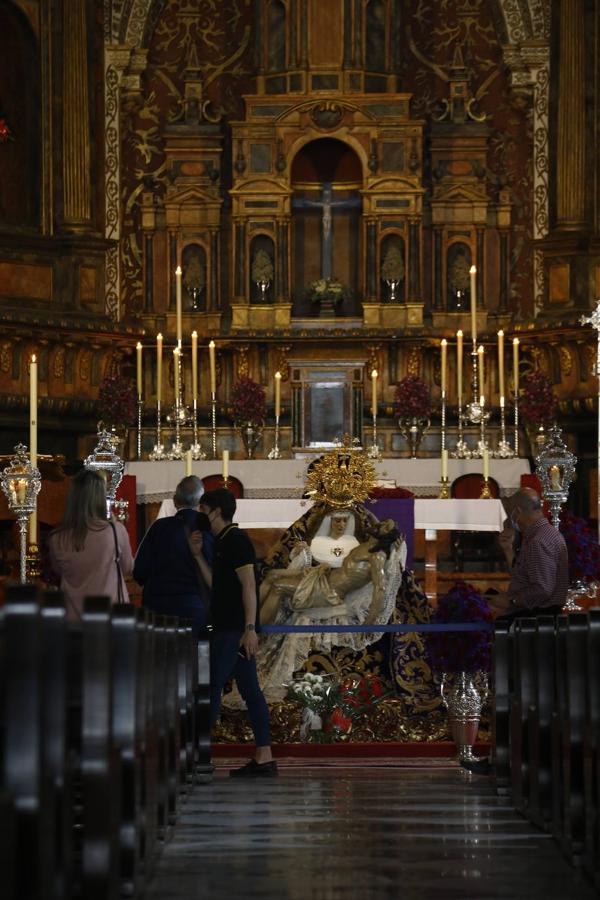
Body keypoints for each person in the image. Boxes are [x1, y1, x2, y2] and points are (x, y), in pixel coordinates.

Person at [188, 487, 277, 778]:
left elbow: (249, 586)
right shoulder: (222, 541)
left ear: (215, 510)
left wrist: (250, 628)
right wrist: (198, 556)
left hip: (234, 628)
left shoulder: (236, 540)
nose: (200, 514)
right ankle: (264, 757)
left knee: (212, 685)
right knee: (250, 691)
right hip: (230, 626)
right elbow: (220, 585)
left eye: (203, 509)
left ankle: (200, 754)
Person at [260, 518, 402, 625]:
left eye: (386, 526)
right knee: (272, 575)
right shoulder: (365, 546)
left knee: (278, 587)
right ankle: (249, 618)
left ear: (388, 535)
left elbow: (380, 588)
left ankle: (258, 631)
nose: (381, 524)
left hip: (328, 592)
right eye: (384, 522)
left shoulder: (378, 555)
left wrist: (370, 621)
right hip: (322, 577)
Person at [49, 468, 133, 620]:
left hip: (73, 617)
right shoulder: (114, 531)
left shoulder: (57, 537)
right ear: (100, 498)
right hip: (110, 616)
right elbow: (128, 568)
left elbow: (58, 571)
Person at [133, 475, 213, 635]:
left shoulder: (159, 527)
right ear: (200, 503)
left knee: (159, 657)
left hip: (157, 608)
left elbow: (139, 571)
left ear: (175, 501)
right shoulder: (206, 527)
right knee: (195, 656)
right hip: (194, 606)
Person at [487, 487, 568, 620]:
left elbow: (542, 590)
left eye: (510, 514)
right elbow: (526, 575)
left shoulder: (538, 540)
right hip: (539, 616)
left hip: (536, 619)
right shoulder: (544, 533)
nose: (511, 520)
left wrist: (511, 601)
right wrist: (508, 549)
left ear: (517, 512)